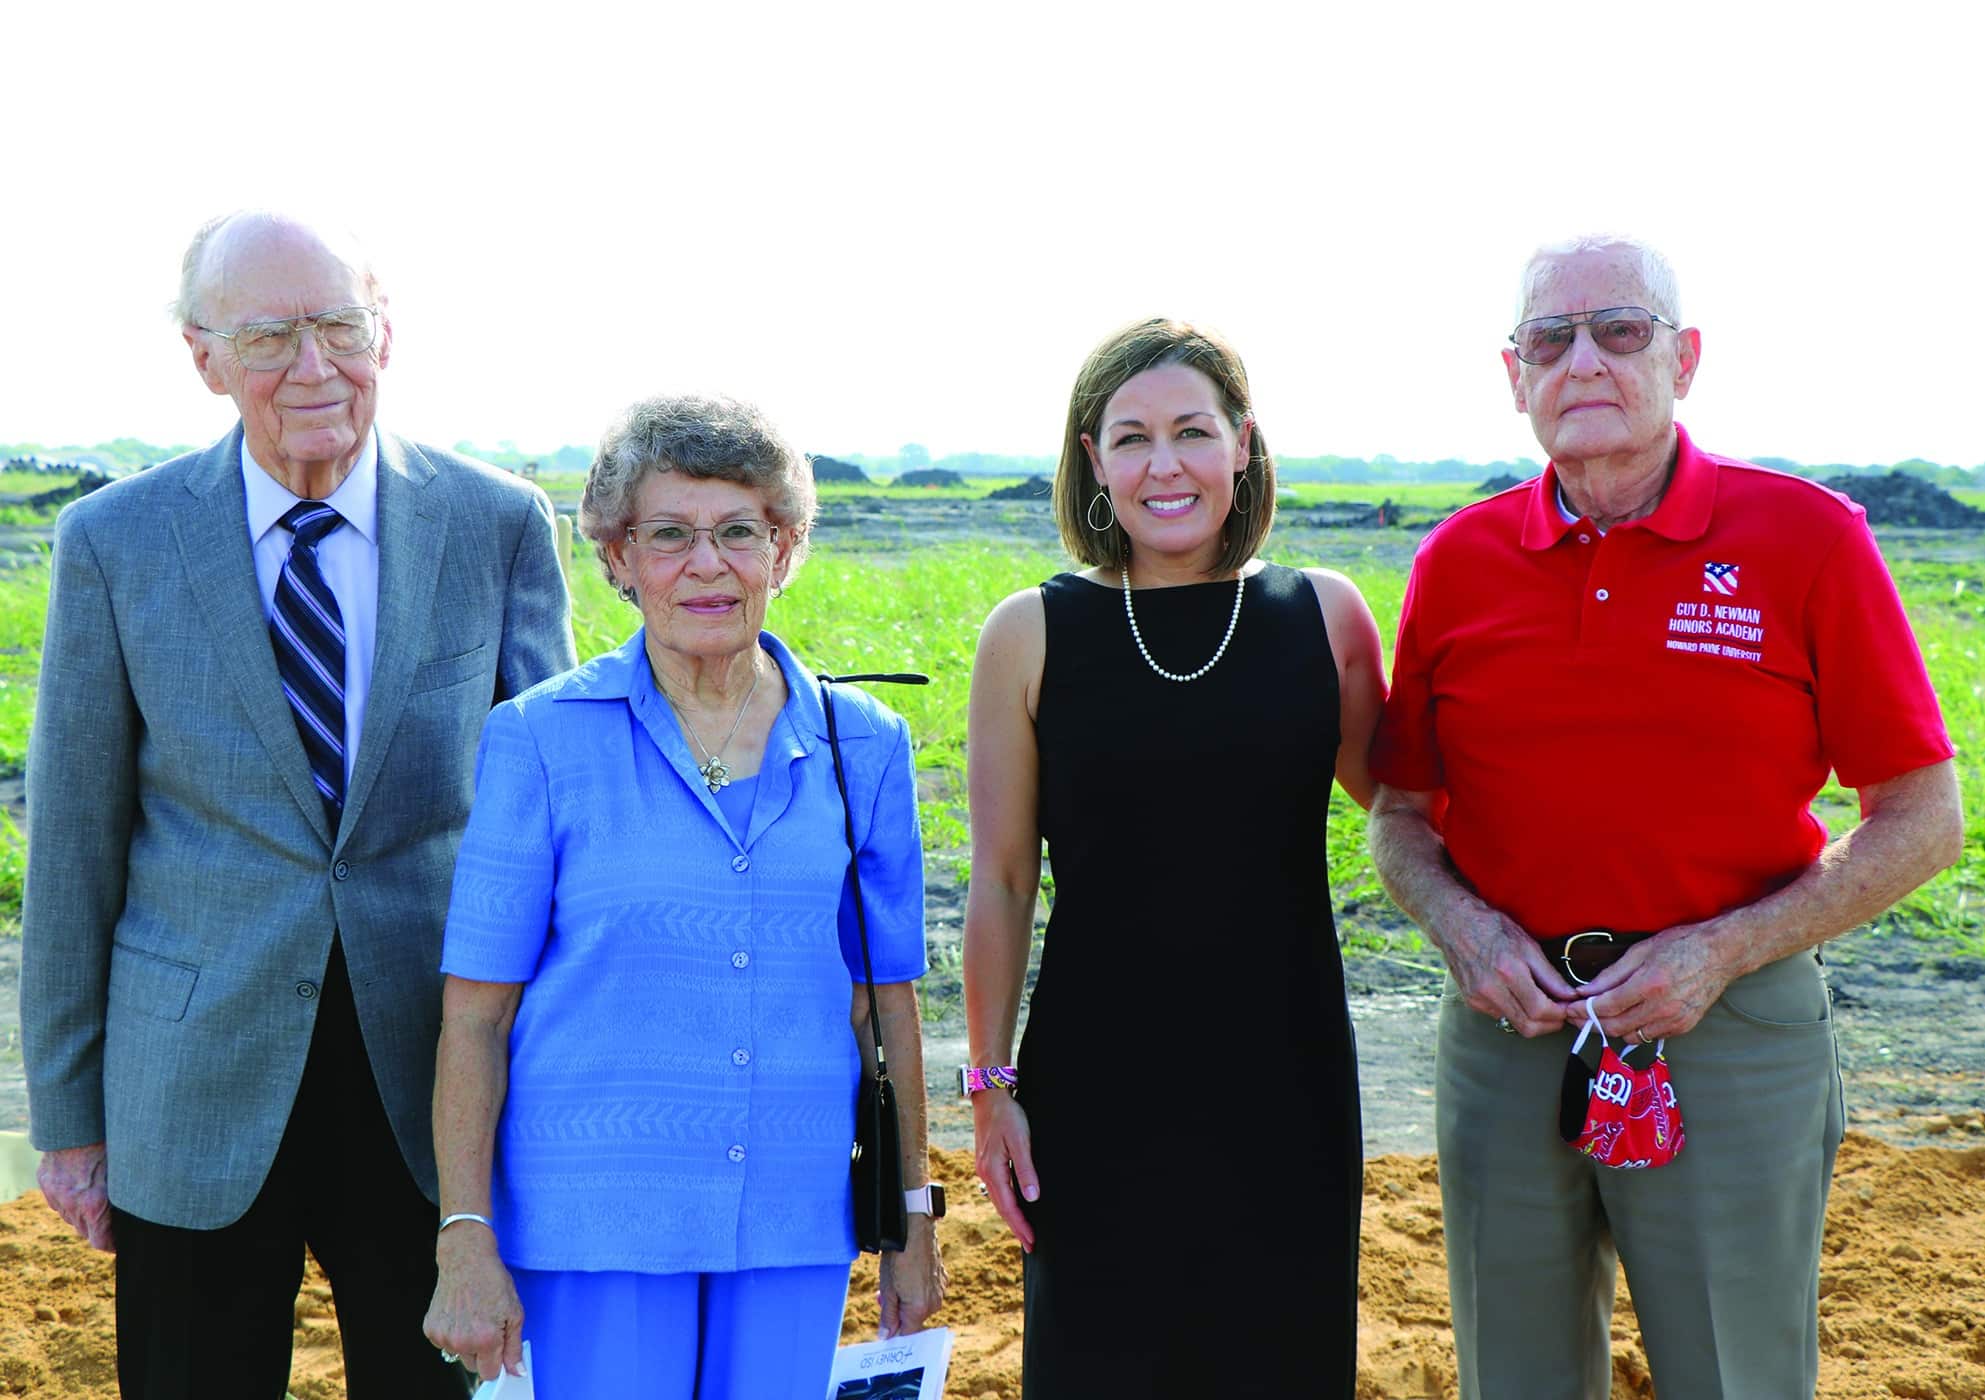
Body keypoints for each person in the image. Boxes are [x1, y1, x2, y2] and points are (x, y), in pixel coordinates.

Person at [1367, 234, 1964, 1399]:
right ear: (1513, 374)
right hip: (1509, 1029)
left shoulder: (1803, 538)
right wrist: (1465, 933)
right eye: (1550, 338)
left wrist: (1718, 949)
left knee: (1729, 1372)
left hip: (1726, 1028)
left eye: (1618, 330)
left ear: (1682, 357)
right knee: (1514, 1374)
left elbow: (1921, 817)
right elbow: (1398, 814)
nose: (1581, 359)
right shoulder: (1456, 561)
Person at [21, 210, 576, 1397]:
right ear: (203, 357)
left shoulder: (496, 524)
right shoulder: (115, 540)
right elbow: (70, 842)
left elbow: (551, 818)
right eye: (270, 336)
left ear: (388, 333)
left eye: (339, 325)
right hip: (192, 1082)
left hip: (432, 1073)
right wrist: (66, 1113)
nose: (314, 366)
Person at [422, 393, 946, 1396]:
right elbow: (475, 1017)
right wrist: (465, 1233)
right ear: (617, 557)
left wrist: (912, 1216)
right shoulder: (538, 739)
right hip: (591, 1216)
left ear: (783, 548)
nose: (705, 564)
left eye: (737, 531)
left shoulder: (862, 741)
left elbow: (886, 1002)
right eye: (667, 534)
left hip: (795, 1213)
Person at [962, 318, 1385, 1395]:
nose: (1164, 465)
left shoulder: (1324, 616)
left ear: (1241, 445)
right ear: (1091, 458)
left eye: (1191, 431)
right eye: (1131, 436)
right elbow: (1003, 881)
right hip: (1094, 1084)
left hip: (1282, 1079)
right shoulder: (1031, 631)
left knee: (1278, 1362)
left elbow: (1414, 808)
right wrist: (990, 1086)